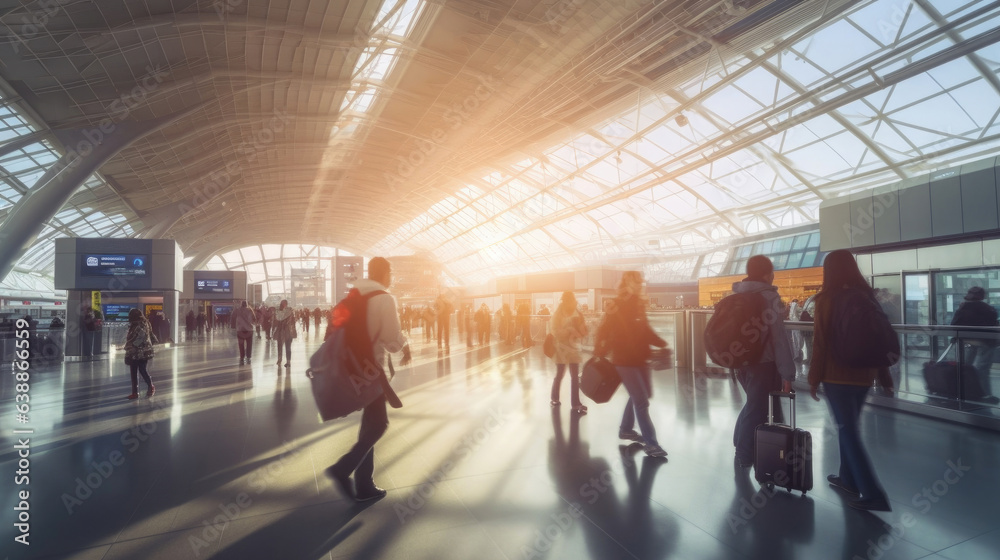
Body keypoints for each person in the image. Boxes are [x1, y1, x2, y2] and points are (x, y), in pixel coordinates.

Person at [809, 249, 895, 512]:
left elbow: (820, 343)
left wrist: (813, 379)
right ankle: (847, 479)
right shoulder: (866, 297)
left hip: (837, 376)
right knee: (850, 427)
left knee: (847, 431)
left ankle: (871, 492)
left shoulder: (825, 299)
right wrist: (884, 375)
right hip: (864, 375)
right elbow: (879, 338)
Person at [325, 257, 411, 501]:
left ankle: (364, 484)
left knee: (370, 423)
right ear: (385, 273)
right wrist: (404, 345)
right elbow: (391, 339)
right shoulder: (384, 298)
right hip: (370, 369)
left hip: (349, 366)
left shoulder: (354, 295)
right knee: (379, 424)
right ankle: (343, 468)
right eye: (390, 272)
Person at [730, 255, 795, 469]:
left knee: (753, 404)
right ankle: (743, 454)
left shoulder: (738, 294)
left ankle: (740, 443)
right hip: (763, 364)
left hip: (741, 362)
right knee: (756, 408)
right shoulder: (769, 297)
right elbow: (779, 339)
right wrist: (788, 373)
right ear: (768, 275)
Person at [594, 271, 669, 458]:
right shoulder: (616, 304)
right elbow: (603, 329)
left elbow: (646, 330)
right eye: (636, 282)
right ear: (626, 283)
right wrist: (599, 351)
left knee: (643, 395)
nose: (639, 285)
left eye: (640, 282)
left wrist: (662, 343)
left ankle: (626, 429)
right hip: (624, 360)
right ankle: (651, 443)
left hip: (640, 358)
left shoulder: (638, 303)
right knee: (641, 400)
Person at [950, 286, 998, 399]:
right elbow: (993, 324)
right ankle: (985, 394)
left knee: (965, 367)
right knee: (983, 369)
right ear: (982, 296)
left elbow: (954, 325)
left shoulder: (963, 308)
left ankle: (965, 392)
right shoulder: (989, 308)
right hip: (987, 342)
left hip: (967, 341)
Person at [550, 292, 589, 414]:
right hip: (561, 348)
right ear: (565, 301)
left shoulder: (577, 313)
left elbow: (584, 330)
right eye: (569, 301)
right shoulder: (558, 314)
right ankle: (555, 398)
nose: (572, 303)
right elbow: (555, 331)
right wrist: (568, 330)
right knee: (560, 374)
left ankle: (575, 404)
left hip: (573, 349)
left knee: (574, 377)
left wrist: (582, 331)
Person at [124, 308, 155, 399]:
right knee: (134, 372)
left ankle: (150, 386)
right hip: (136, 352)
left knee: (142, 370)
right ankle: (135, 392)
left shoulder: (141, 324)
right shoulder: (139, 324)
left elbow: (141, 338)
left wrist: (132, 345)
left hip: (141, 352)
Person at [233, 301, 257, 365]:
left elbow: (233, 317)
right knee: (249, 344)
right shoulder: (250, 310)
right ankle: (248, 357)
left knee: (241, 344)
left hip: (240, 329)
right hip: (249, 329)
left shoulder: (238, 310)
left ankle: (242, 357)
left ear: (241, 304)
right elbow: (254, 319)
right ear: (247, 304)